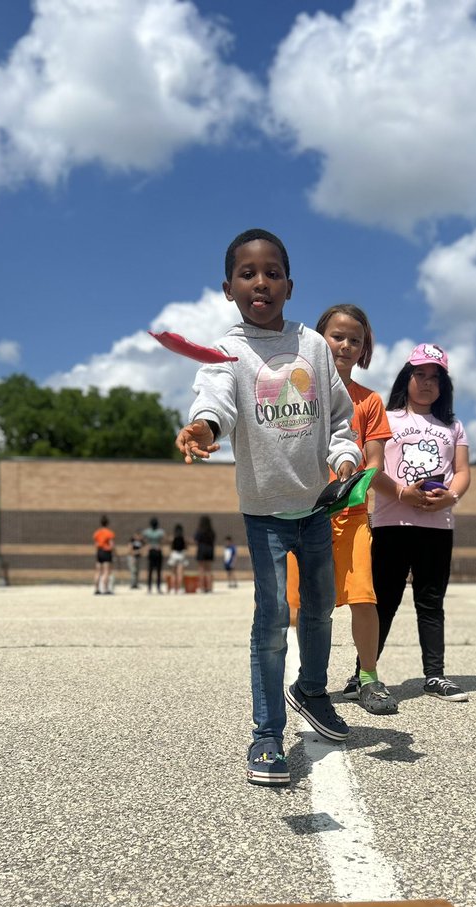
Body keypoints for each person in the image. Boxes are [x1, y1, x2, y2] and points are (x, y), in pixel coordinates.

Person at [176, 227, 360, 787]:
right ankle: (266, 733)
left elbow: (340, 419)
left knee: (321, 610)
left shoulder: (312, 347)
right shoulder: (225, 352)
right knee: (273, 618)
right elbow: (216, 402)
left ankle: (311, 691)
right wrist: (205, 427)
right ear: (228, 287)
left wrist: (347, 458)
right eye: (248, 273)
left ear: (289, 284)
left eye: (273, 272)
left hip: (316, 508)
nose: (261, 282)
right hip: (264, 514)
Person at [288, 303, 397, 715]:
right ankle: (308, 678)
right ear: (319, 339)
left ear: (365, 348)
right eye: (338, 336)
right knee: (303, 604)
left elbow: (375, 461)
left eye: (356, 339)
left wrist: (353, 488)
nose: (346, 345)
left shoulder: (369, 402)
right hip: (305, 512)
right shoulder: (298, 388)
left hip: (352, 517)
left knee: (364, 597)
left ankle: (367, 677)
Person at [365, 344, 471, 700]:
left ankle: (435, 675)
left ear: (444, 386)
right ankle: (364, 675)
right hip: (390, 525)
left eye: (435, 377)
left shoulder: (453, 426)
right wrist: (401, 493)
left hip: (436, 527)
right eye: (420, 375)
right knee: (384, 601)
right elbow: (373, 469)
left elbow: (463, 472)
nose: (427, 383)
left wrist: (451, 496)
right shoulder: (387, 417)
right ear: (406, 378)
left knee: (430, 601)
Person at [92, 515, 116, 595]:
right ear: (107, 523)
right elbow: (112, 545)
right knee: (106, 571)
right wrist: (113, 551)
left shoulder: (97, 532)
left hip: (99, 552)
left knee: (98, 571)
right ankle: (105, 589)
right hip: (106, 552)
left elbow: (96, 544)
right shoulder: (109, 533)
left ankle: (96, 589)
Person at [194, 515, 217, 593]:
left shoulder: (199, 531)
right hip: (210, 550)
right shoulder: (212, 532)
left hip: (201, 549)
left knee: (201, 570)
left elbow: (196, 540)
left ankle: (202, 587)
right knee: (209, 570)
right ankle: (209, 588)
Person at [144, 517, 165, 593]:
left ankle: (149, 588)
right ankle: (158, 588)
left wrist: (147, 545)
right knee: (158, 571)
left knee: (150, 571)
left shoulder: (147, 532)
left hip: (151, 551)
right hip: (158, 551)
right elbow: (163, 540)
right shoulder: (160, 532)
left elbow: (143, 539)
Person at [167, 524, 187, 593]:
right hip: (181, 555)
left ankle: (173, 588)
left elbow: (171, 547)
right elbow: (185, 547)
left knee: (173, 573)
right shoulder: (183, 538)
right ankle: (180, 589)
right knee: (180, 573)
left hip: (174, 554)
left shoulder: (173, 538)